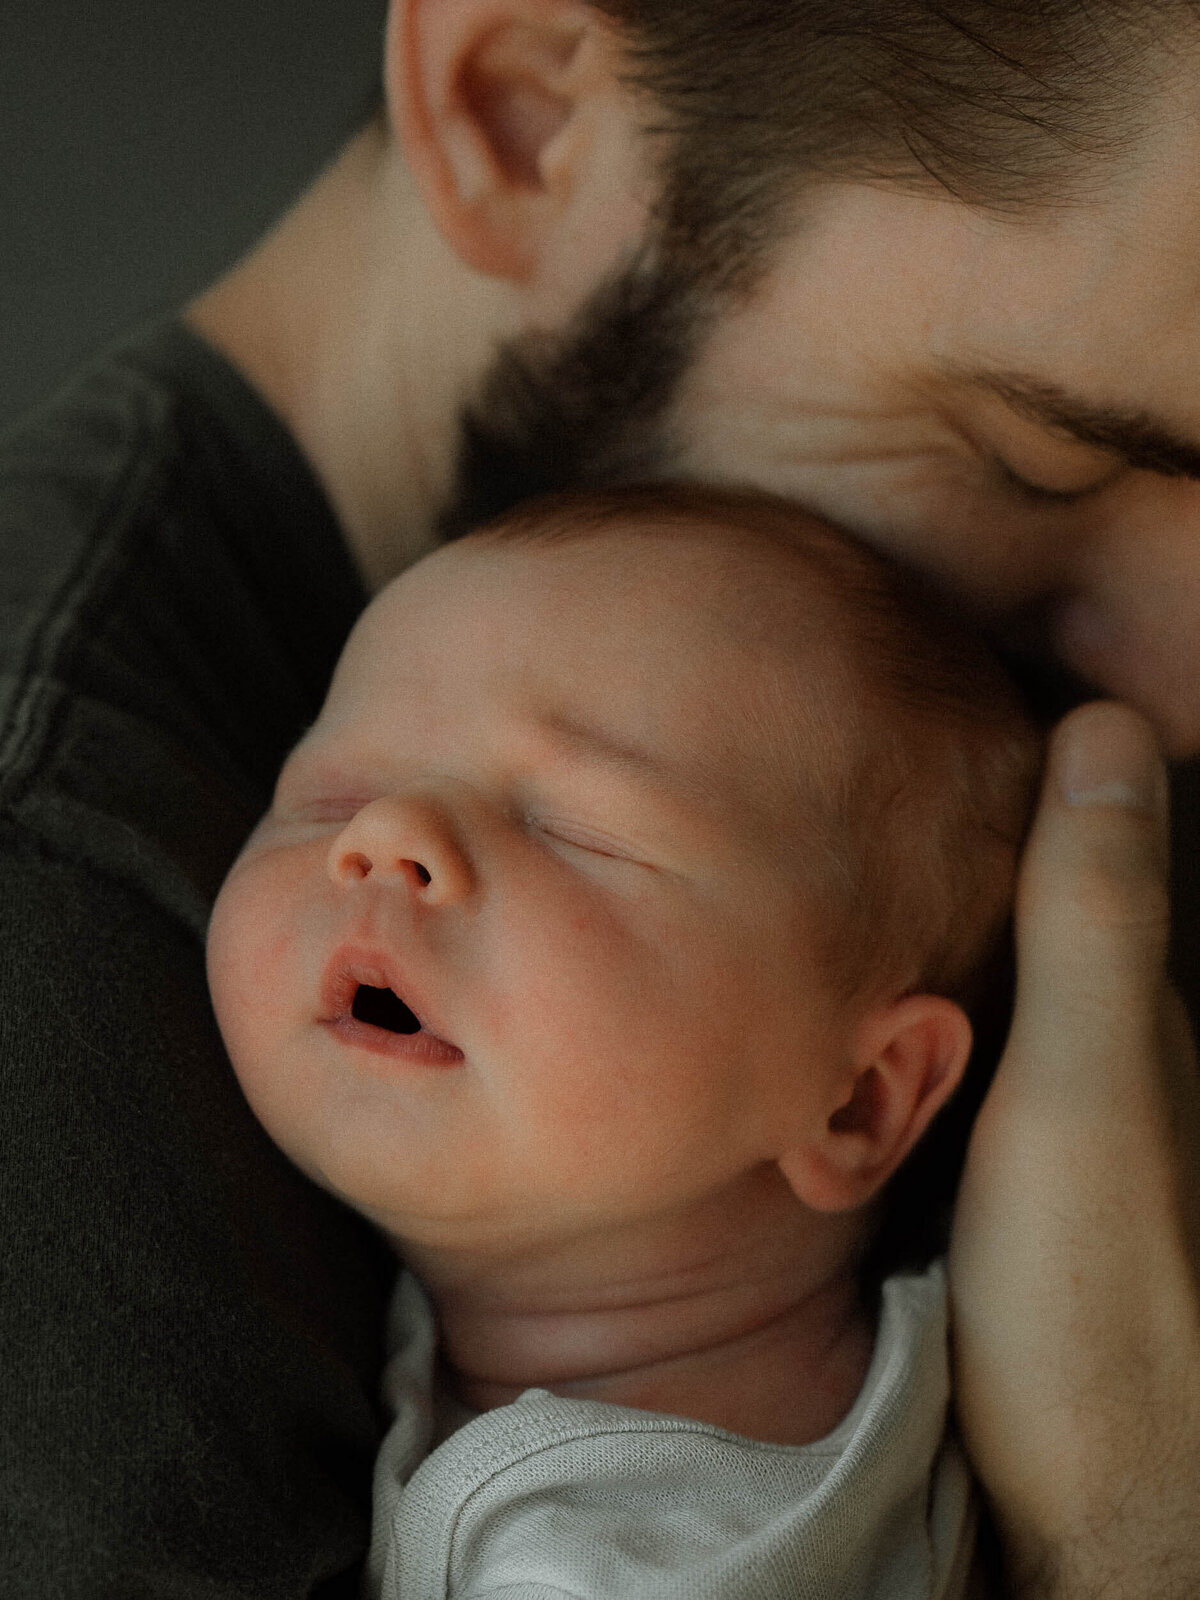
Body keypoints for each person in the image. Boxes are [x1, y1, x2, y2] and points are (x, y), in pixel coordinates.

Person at [2, 2, 1198, 1597]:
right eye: (1036, 459)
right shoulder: (55, 966)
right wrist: (1125, 1541)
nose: (1182, 697)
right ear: (520, 111)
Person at [205, 486, 1043, 1598]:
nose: (384, 835)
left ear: (859, 1101)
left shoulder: (647, 1564)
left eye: (576, 830)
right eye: (330, 792)